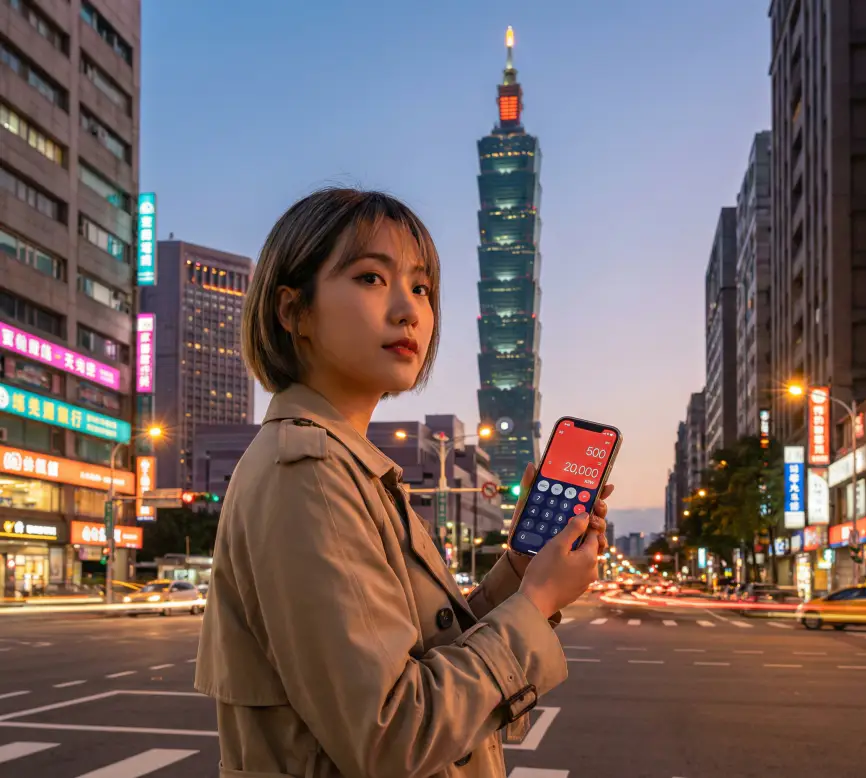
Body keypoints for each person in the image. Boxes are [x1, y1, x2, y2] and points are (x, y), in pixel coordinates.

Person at [195, 188, 613, 778]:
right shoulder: (308, 473)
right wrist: (540, 601)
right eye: (371, 278)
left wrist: (521, 571)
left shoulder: (348, 466)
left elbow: (419, 654)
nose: (408, 310)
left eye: (421, 288)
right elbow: (395, 735)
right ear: (294, 312)